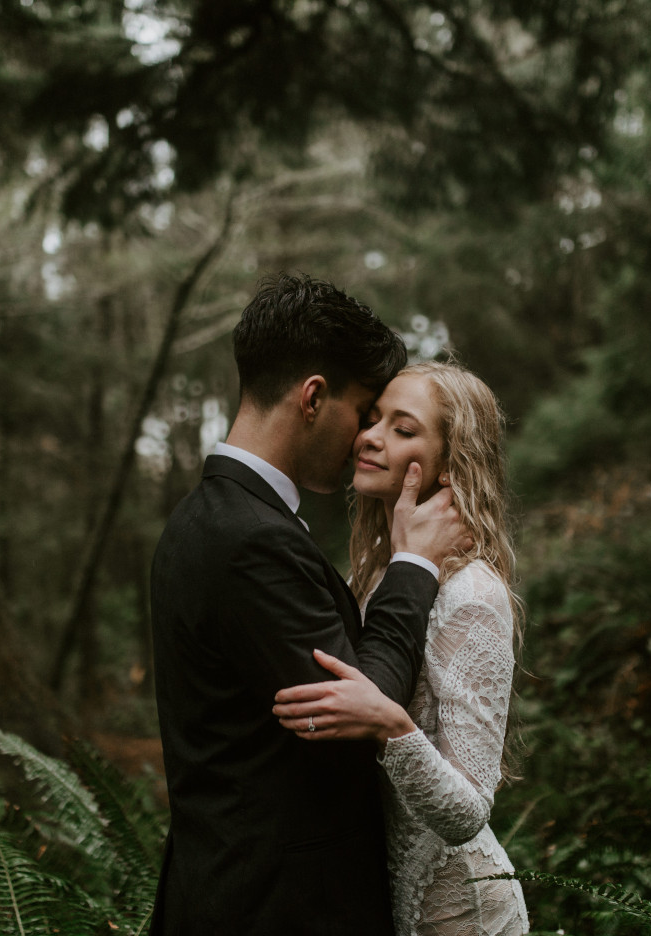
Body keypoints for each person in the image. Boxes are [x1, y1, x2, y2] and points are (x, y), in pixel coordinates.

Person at [148, 274, 470, 935]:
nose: (364, 438)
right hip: (276, 910)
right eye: (363, 413)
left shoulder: (210, 519)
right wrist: (414, 565)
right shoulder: (249, 539)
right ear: (314, 398)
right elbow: (358, 709)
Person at [274, 361, 530, 936]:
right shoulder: (376, 575)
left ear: (451, 459)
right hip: (384, 902)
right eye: (373, 420)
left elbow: (468, 811)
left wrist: (392, 728)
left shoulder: (471, 592)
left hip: (464, 913)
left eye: (403, 428)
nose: (370, 436)